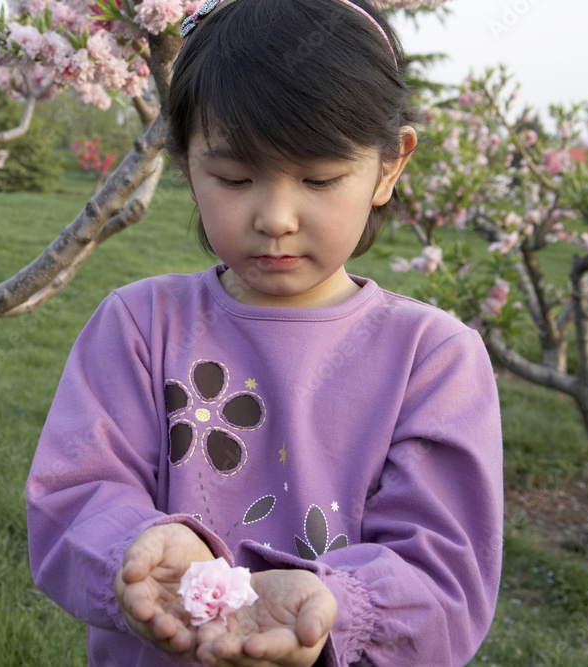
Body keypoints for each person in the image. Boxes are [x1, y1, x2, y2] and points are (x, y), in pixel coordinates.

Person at [26, 0, 503, 664]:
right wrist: (135, 548)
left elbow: (445, 573)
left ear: (390, 166)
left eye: (319, 177)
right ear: (188, 163)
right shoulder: (140, 326)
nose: (275, 216)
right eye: (234, 177)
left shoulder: (433, 358)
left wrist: (338, 605)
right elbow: (73, 495)